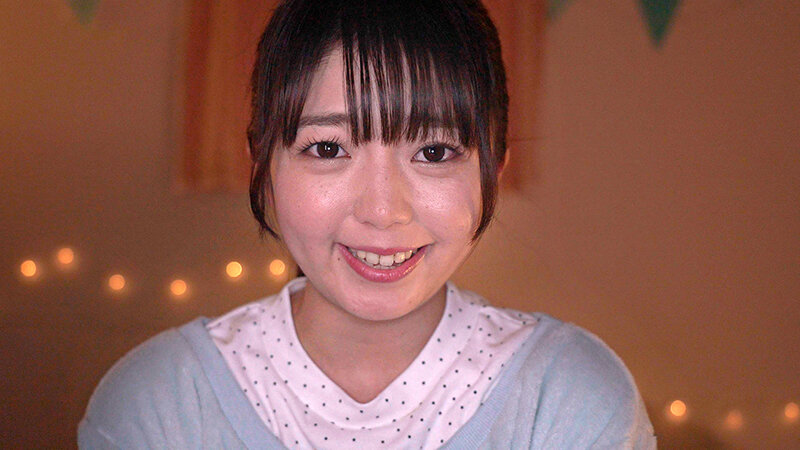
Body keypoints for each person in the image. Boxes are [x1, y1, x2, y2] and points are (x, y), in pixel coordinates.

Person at [78, 0, 656, 448]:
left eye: (434, 152)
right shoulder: (158, 401)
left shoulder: (567, 397)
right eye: (328, 149)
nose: (383, 211)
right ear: (262, 162)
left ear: (494, 170)